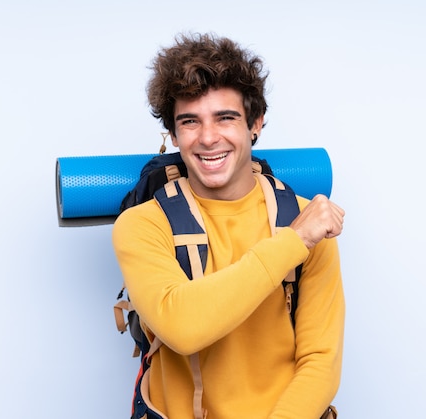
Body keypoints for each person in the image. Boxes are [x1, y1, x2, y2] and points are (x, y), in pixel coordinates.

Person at [112, 32, 345, 419]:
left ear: (255, 123)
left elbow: (321, 360)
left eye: (225, 117)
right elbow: (183, 328)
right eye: (190, 121)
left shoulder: (303, 219)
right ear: (173, 134)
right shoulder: (142, 224)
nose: (207, 138)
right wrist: (294, 241)